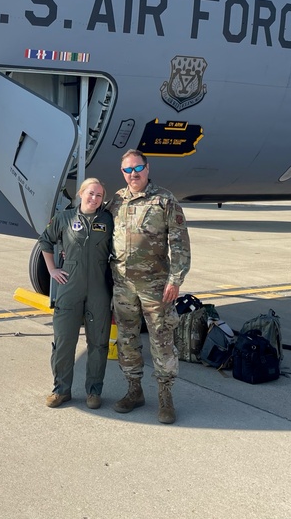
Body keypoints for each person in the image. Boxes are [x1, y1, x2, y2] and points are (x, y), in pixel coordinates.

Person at [107, 149, 190, 424]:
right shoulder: (116, 201)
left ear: (147, 167)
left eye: (137, 168)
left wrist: (175, 280)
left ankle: (165, 397)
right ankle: (134, 390)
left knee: (161, 340)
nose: (133, 174)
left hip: (156, 286)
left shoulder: (164, 200)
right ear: (123, 173)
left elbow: (179, 244)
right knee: (127, 340)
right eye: (127, 170)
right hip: (123, 285)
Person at [36, 177, 114, 409]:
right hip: (70, 285)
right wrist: (52, 269)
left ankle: (93, 392)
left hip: (99, 287)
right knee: (63, 341)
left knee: (98, 343)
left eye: (99, 195)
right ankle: (61, 390)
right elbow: (45, 241)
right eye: (91, 193)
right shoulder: (64, 218)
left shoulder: (108, 220)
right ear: (81, 193)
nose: (94, 198)